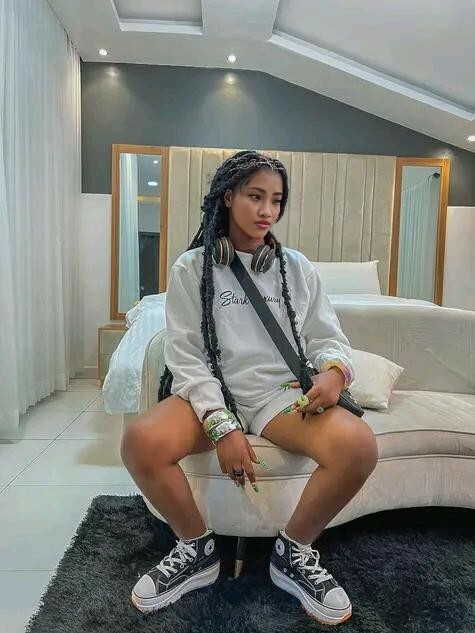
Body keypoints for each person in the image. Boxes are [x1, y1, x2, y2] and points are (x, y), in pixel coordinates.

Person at [120, 150, 379, 625]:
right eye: (255, 196)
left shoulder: (296, 267)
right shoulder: (191, 268)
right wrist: (222, 427)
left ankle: (293, 552)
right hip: (213, 390)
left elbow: (327, 338)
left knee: (359, 446)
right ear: (228, 196)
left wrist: (335, 373)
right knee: (140, 441)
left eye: (276, 200)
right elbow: (187, 358)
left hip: (280, 396)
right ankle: (197, 550)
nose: (267, 211)